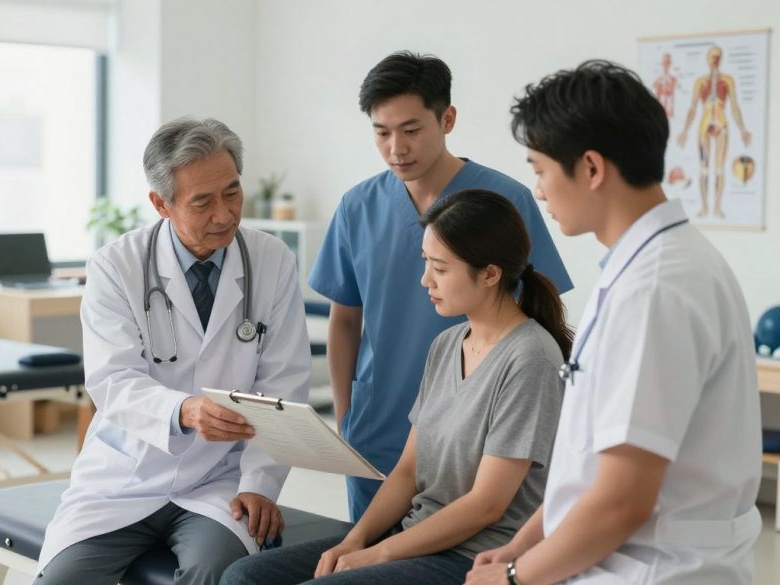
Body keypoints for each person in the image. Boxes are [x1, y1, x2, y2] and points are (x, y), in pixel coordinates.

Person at [467, 60, 762, 585]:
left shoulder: (654, 288)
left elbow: (623, 499)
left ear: (591, 168)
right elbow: (590, 462)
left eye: (540, 170)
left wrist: (514, 575)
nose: (538, 191)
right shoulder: (651, 264)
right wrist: (523, 543)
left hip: (650, 571)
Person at [221, 189, 569, 585]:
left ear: (490, 274)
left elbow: (487, 505)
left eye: (440, 268)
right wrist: (354, 541)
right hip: (412, 536)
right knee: (243, 578)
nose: (425, 280)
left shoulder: (531, 359)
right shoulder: (448, 343)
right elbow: (406, 471)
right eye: (426, 262)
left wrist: (377, 554)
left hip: (472, 556)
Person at [34, 118, 312, 585]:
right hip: (125, 475)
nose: (224, 215)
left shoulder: (272, 260)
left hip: (222, 480)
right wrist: (182, 410)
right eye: (202, 202)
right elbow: (112, 380)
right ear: (160, 204)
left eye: (232, 192)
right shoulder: (116, 266)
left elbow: (282, 383)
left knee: (214, 573)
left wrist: (260, 484)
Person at [308, 50, 573, 521]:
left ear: (447, 119)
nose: (396, 148)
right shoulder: (357, 207)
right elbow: (345, 320)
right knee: (364, 559)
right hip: (377, 428)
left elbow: (539, 310)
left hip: (476, 434)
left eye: (411, 130)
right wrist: (347, 417)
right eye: (381, 132)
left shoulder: (504, 200)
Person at [677, 46, 752, 219]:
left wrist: (743, 130)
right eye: (712, 56)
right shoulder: (700, 82)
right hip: (704, 126)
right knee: (704, 169)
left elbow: (734, 106)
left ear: (721, 58)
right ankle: (704, 207)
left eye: (718, 56)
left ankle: (717, 207)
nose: (715, 59)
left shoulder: (727, 81)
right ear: (708, 59)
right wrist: (684, 131)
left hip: (721, 125)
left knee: (719, 169)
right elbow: (693, 107)